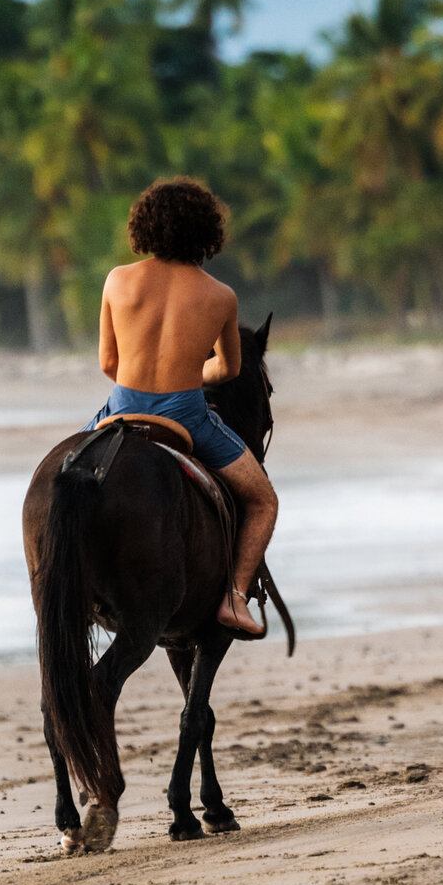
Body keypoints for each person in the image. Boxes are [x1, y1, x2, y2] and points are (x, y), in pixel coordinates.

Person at [88, 176, 279, 639]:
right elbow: (229, 369)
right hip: (186, 416)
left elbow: (109, 363)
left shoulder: (118, 280)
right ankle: (234, 598)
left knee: (68, 474)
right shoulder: (220, 296)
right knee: (263, 500)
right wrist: (189, 375)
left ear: (145, 226)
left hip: (120, 409)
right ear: (206, 232)